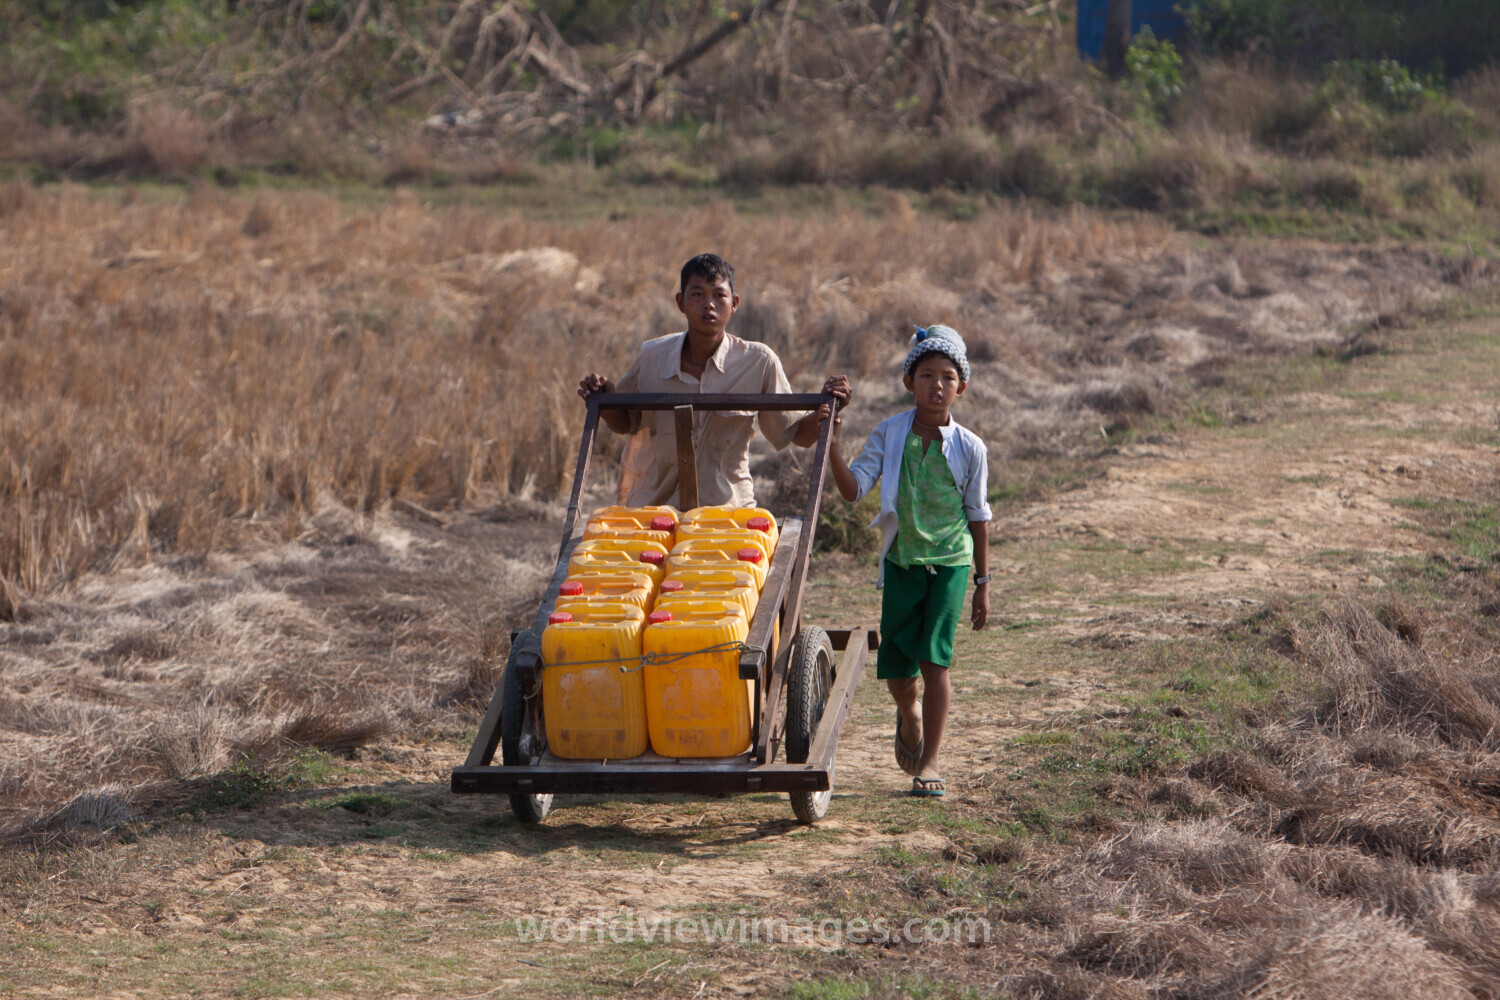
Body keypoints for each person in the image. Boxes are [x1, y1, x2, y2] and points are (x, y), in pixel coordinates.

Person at [824, 325, 991, 797]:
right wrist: (833, 444)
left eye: (947, 376)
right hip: (902, 562)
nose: (937, 385)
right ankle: (909, 711)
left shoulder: (971, 447)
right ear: (908, 382)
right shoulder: (890, 433)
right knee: (900, 674)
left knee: (936, 662)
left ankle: (931, 763)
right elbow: (855, 489)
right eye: (926, 375)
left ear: (962, 385)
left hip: (952, 562)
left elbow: (978, 517)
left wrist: (983, 581)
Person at [579, 253, 850, 508]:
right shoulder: (652, 356)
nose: (709, 304)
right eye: (697, 294)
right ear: (680, 302)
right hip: (655, 508)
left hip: (727, 511)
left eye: (719, 295)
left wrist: (824, 413)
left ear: (734, 304)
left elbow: (796, 435)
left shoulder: (758, 362)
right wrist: (605, 398)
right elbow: (625, 422)